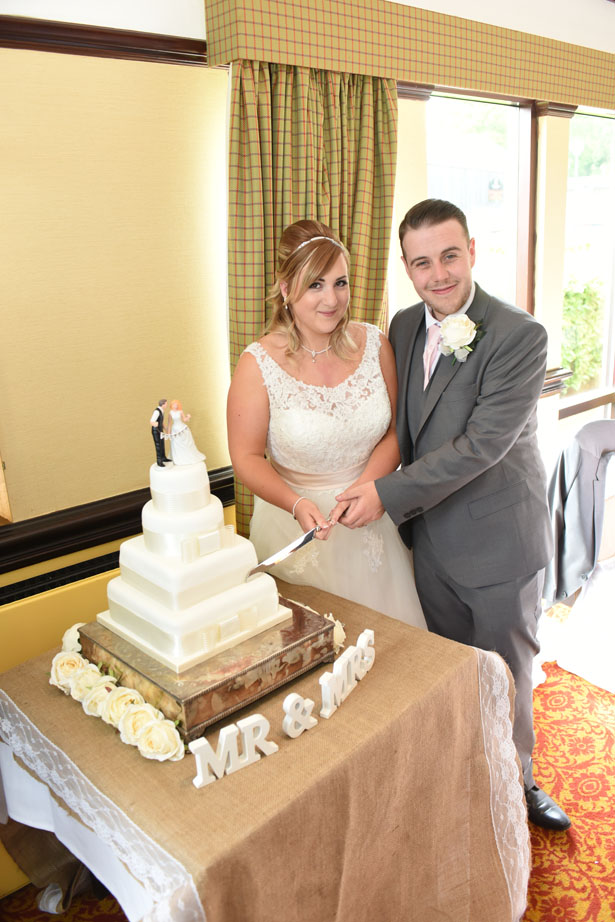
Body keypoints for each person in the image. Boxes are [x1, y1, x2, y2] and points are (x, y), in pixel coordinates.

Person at [336, 199, 571, 831]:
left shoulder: (520, 335)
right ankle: (467, 773)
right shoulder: (406, 326)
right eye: (421, 263)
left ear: (471, 250)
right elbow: (402, 427)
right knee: (452, 671)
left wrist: (384, 494)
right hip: (429, 543)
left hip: (500, 543)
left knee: (506, 675)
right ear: (406, 269)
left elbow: (480, 446)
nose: (438, 274)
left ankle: (518, 783)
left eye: (449, 256)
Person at [227, 219, 426, 628]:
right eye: (315, 285)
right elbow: (245, 456)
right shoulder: (257, 364)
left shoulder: (376, 345)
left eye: (340, 282)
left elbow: (393, 433)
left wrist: (370, 488)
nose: (332, 299)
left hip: (372, 525)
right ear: (286, 290)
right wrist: (297, 504)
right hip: (295, 528)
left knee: (391, 658)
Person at [167, 400, 206, 465]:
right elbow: (169, 423)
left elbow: (184, 419)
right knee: (177, 443)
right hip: (175, 430)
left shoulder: (180, 411)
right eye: (174, 405)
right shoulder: (170, 413)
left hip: (182, 428)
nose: (175, 406)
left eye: (177, 405)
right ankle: (178, 456)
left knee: (185, 443)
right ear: (171, 405)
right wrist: (168, 433)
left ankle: (188, 455)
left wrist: (188, 417)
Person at [150, 399, 170, 467]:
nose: (167, 405)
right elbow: (151, 421)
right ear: (163, 404)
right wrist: (157, 424)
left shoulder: (162, 411)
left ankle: (163, 457)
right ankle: (159, 461)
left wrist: (165, 428)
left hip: (160, 431)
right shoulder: (157, 411)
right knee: (158, 445)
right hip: (156, 431)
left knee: (162, 443)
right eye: (166, 404)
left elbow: (161, 421)